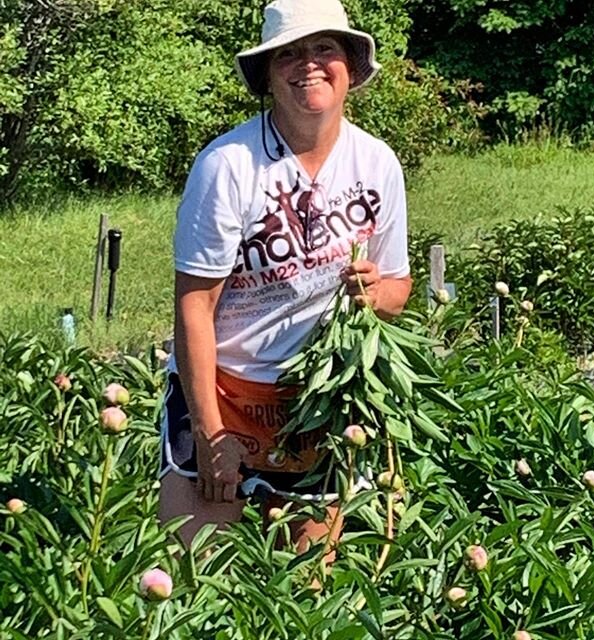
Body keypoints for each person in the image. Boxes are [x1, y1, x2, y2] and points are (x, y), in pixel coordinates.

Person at [158, 0, 412, 553]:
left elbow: (398, 287)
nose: (309, 64)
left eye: (324, 48)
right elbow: (194, 306)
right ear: (269, 77)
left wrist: (375, 294)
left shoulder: (376, 163)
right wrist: (209, 433)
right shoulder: (228, 166)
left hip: (316, 400)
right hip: (224, 389)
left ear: (350, 65)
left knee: (307, 588)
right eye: (289, 54)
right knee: (195, 575)